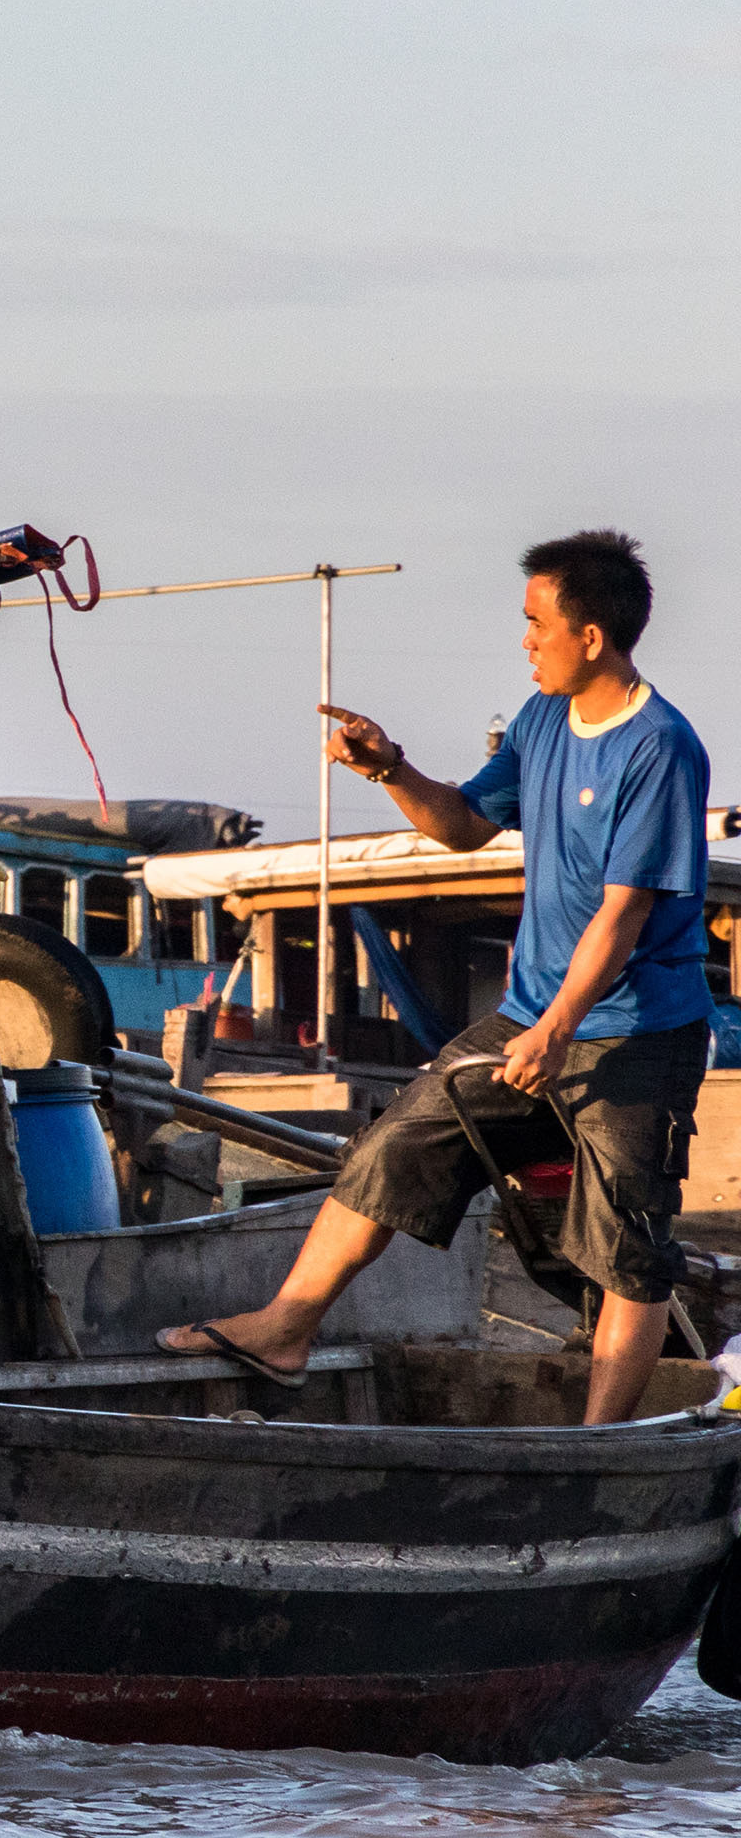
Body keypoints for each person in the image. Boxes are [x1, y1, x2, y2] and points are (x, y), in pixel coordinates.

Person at [163, 531, 710, 1425]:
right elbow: (461, 825)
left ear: (592, 636)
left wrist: (556, 1031)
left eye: (537, 624)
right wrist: (390, 768)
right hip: (530, 1017)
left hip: (636, 1036)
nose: (525, 641)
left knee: (628, 1247)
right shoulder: (541, 719)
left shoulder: (660, 747)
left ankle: (594, 1446)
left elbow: (625, 914)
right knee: (393, 1147)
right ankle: (285, 1331)